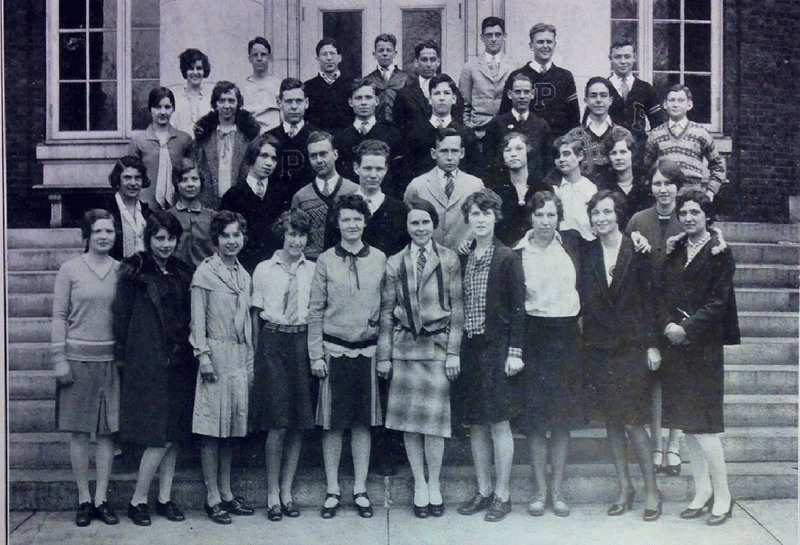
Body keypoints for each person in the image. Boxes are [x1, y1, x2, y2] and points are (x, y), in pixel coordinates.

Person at [377, 199, 463, 517]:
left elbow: (458, 310)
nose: (420, 228)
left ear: (434, 224)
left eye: (425, 222)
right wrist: (384, 357)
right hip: (405, 348)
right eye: (414, 223)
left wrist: (453, 351)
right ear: (407, 226)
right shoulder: (395, 262)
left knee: (434, 424)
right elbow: (387, 313)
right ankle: (419, 484)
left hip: (437, 348)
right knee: (409, 424)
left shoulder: (449, 259)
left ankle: (435, 483)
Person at [579, 190, 662, 521]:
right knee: (611, 422)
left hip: (631, 347)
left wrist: (653, 344)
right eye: (595, 213)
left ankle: (652, 490)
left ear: (619, 216)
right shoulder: (585, 252)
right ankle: (624, 488)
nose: (600, 218)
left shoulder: (637, 251)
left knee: (633, 421)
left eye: (606, 212)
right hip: (599, 349)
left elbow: (652, 300)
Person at [659, 188, 739, 526]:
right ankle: (701, 491)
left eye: (695, 212)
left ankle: (723, 496)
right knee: (688, 427)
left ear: (707, 215)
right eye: (684, 213)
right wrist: (666, 323)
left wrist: (686, 327)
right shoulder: (675, 250)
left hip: (703, 348)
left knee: (705, 429)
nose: (689, 218)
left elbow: (718, 304)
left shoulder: (720, 253)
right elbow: (662, 291)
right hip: (676, 347)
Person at [114, 211, 196, 526]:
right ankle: (137, 501)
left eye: (170, 239)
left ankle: (164, 498)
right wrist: (126, 357)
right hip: (148, 363)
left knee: (173, 434)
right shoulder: (134, 272)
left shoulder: (180, 271)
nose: (165, 244)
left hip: (179, 361)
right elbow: (121, 319)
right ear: (148, 240)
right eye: (159, 238)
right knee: (157, 436)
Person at [308, 194, 386, 519]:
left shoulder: (380, 258)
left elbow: (387, 308)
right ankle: (331, 490)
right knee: (332, 425)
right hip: (333, 350)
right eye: (345, 219)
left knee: (362, 424)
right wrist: (316, 354)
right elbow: (315, 310)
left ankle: (360, 488)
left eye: (357, 218)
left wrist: (383, 350)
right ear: (336, 223)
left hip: (367, 351)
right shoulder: (325, 260)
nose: (352, 224)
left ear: (365, 221)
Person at [453, 188, 525, 523]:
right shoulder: (465, 255)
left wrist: (514, 353)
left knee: (499, 423)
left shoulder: (507, 257)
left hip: (497, 350)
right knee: (476, 424)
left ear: (496, 217)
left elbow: (517, 310)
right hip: (471, 347)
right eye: (475, 214)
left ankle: (503, 494)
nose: (480, 220)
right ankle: (482, 491)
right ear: (468, 219)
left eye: (486, 213)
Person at [513, 190, 584, 517]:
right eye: (539, 215)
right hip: (534, 335)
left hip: (567, 336)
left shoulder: (573, 244)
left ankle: (558, 492)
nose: (545, 222)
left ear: (559, 218)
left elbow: (612, 244)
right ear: (531, 217)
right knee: (536, 420)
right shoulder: (518, 253)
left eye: (551, 215)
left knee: (561, 420)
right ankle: (540, 491)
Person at [51, 209, 121, 527]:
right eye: (98, 231)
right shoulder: (70, 269)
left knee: (106, 435)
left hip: (109, 363)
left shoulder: (122, 271)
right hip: (77, 361)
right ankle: (83, 498)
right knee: (79, 434)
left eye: (109, 231)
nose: (105, 236)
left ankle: (101, 498)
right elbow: (59, 316)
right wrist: (59, 359)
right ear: (87, 236)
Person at [250, 208, 317, 521]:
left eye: (302, 235)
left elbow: (315, 313)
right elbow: (255, 314)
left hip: (301, 343)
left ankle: (287, 490)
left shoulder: (313, 270)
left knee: (298, 422)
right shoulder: (264, 269)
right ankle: (272, 492)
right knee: (277, 422)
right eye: (292, 234)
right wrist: (255, 354)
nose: (297, 241)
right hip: (273, 343)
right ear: (282, 234)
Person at [190, 210, 255, 524]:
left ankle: (227, 493)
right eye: (226, 236)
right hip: (214, 354)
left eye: (236, 235)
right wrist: (203, 357)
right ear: (216, 240)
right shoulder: (204, 274)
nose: (232, 241)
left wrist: (250, 360)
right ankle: (212, 495)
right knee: (212, 431)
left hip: (239, 356)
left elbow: (247, 325)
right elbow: (197, 321)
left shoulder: (245, 274)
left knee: (231, 429)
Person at [626, 158, 687, 475]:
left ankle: (673, 445)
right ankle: (655, 445)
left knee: (677, 379)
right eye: (657, 183)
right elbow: (622, 263)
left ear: (678, 187)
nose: (663, 189)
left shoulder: (687, 218)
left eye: (668, 183)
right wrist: (634, 247)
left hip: (678, 314)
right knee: (651, 382)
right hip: (644, 310)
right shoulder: (638, 220)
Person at [404, 127, 484, 250]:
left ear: (462, 153)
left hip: (464, 257)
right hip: (429, 257)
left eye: (455, 151)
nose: (450, 157)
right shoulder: (418, 185)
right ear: (433, 153)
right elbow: (407, 221)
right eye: (444, 151)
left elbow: (483, 221)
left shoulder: (475, 185)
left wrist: (471, 241)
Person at [643, 84, 726, 200]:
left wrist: (710, 193)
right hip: (665, 196)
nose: (675, 104)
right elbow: (646, 168)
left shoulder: (701, 133)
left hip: (692, 196)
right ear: (665, 105)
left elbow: (718, 166)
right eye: (672, 100)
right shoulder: (656, 134)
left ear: (689, 105)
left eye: (680, 100)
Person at [220, 133, 288, 273]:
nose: (269, 163)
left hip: (276, 269)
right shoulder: (232, 196)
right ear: (252, 157)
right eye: (263, 156)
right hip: (243, 268)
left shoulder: (282, 194)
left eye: (274, 158)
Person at [499, 23, 579, 138]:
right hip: (525, 142)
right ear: (531, 45)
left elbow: (574, 119)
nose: (545, 46)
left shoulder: (565, 77)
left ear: (555, 45)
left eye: (549, 42)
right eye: (540, 42)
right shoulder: (516, 76)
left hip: (557, 143)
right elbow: (504, 114)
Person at [194, 81, 262, 210]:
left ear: (238, 103)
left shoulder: (248, 136)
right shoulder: (204, 135)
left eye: (231, 101)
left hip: (240, 202)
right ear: (216, 104)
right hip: (208, 202)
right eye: (222, 101)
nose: (226, 106)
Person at [291, 131, 359, 259]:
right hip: (312, 264)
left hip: (347, 261)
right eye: (313, 156)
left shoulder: (354, 191)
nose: (319, 161)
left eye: (323, 154)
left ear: (335, 154)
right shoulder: (301, 197)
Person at [401, 74, 480, 182]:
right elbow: (408, 170)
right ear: (429, 99)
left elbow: (474, 170)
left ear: (453, 99)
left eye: (446, 93)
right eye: (437, 93)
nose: (442, 98)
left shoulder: (466, 134)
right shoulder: (416, 133)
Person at [127, 87, 194, 210]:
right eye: (157, 107)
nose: (163, 112)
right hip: (146, 207)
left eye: (167, 107)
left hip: (177, 206)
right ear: (150, 109)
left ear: (173, 109)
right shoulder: (139, 141)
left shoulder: (184, 139)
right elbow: (130, 176)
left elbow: (191, 174)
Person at [482, 73, 553, 188]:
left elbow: (548, 162)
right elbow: (488, 161)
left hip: (534, 188)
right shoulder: (497, 124)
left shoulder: (541, 125)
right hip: (504, 188)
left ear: (532, 94)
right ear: (510, 94)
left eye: (526, 92)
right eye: (518, 92)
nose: (522, 96)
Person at [333, 79, 401, 186]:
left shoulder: (392, 135)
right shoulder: (340, 138)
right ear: (350, 102)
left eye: (368, 98)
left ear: (377, 101)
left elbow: (396, 175)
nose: (363, 103)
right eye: (358, 98)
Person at [393, 40, 465, 136]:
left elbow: (458, 120)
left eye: (433, 59)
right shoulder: (405, 94)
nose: (428, 65)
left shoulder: (452, 91)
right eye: (424, 60)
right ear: (416, 62)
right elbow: (399, 128)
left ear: (438, 62)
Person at [493, 132, 552, 246]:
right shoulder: (497, 191)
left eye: (519, 148)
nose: (513, 154)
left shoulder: (543, 188)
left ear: (528, 151)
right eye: (508, 150)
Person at [605, 39, 663, 154]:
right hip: (609, 151)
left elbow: (658, 124)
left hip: (639, 152)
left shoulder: (645, 88)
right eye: (617, 57)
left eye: (627, 57)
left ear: (634, 58)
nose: (623, 61)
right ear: (610, 59)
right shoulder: (602, 88)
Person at [458, 17, 515, 131]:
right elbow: (464, 103)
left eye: (498, 35)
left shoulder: (514, 66)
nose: (493, 39)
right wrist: (468, 128)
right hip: (479, 129)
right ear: (482, 37)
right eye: (489, 35)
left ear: (505, 36)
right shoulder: (470, 67)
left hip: (507, 128)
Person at [266, 78, 318, 199]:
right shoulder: (268, 139)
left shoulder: (318, 138)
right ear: (279, 103)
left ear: (306, 103)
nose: (294, 107)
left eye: (298, 101)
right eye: (288, 101)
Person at [167, 158, 215, 269]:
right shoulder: (168, 217)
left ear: (201, 182)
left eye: (194, 179)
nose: (190, 184)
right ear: (177, 184)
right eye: (184, 180)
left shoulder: (212, 217)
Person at [550, 130, 598, 241]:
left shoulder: (591, 189)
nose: (561, 160)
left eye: (566, 154)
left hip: (587, 244)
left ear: (580, 156)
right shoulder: (553, 188)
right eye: (557, 156)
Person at [594, 126, 653, 216]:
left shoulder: (646, 181)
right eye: (613, 153)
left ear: (632, 153)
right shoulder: (603, 184)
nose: (618, 158)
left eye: (623, 152)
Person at [106, 156, 152, 260]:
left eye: (137, 178)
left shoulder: (148, 213)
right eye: (127, 178)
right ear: (118, 179)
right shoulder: (106, 210)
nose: (133, 183)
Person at [362, 33, 414, 125]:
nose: (385, 54)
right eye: (381, 50)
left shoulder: (405, 78)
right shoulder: (368, 80)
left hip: (399, 129)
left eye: (388, 50)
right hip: (376, 129)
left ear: (395, 53)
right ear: (374, 54)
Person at [304, 38, 354, 133]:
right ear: (317, 58)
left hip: (346, 139)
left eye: (332, 53)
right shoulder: (308, 86)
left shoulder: (352, 85)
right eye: (324, 54)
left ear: (339, 58)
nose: (329, 58)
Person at [239, 36, 282, 132]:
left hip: (273, 137)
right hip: (250, 137)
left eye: (263, 54)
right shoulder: (242, 87)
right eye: (255, 55)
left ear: (269, 57)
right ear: (249, 58)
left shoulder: (278, 85)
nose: (259, 58)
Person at [581, 77, 616, 181]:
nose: (599, 100)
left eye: (603, 95)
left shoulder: (622, 134)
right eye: (593, 96)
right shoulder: (574, 136)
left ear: (610, 100)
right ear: (586, 101)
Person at [171, 48, 212, 134]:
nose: (195, 72)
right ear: (185, 71)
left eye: (199, 68)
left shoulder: (210, 99)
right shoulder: (176, 99)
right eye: (191, 68)